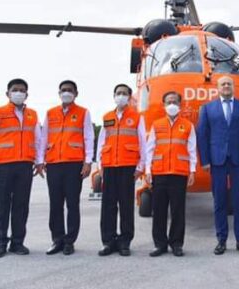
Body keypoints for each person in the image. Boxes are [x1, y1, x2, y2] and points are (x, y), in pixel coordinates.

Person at [0, 78, 44, 258]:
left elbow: (38, 140)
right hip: (3, 166)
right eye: (15, 90)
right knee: (3, 205)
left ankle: (17, 243)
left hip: (25, 165)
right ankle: (1, 243)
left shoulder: (32, 114)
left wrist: (39, 161)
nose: (18, 93)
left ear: (27, 94)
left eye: (22, 90)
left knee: (21, 206)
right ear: (7, 93)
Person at [197, 76, 239, 255]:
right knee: (220, 202)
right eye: (223, 84)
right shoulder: (207, 108)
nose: (226, 86)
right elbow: (202, 135)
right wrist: (205, 160)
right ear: (217, 88)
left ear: (233, 87)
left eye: (229, 84)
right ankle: (221, 240)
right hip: (217, 160)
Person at [41, 80, 94, 256]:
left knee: (72, 203)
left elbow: (88, 137)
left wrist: (88, 162)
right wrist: (40, 160)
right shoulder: (50, 113)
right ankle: (57, 240)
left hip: (74, 164)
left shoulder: (83, 113)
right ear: (59, 93)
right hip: (53, 163)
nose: (66, 93)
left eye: (70, 90)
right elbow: (43, 137)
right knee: (55, 204)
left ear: (76, 93)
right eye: (63, 90)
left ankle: (69, 241)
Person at [144, 91, 197, 257]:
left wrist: (192, 171)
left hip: (179, 173)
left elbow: (192, 150)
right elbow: (149, 149)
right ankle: (159, 244)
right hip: (159, 173)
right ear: (164, 105)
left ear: (180, 105)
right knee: (159, 211)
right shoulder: (156, 125)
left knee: (177, 211)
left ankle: (176, 244)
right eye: (169, 102)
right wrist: (147, 171)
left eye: (175, 102)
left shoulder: (188, 125)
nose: (172, 104)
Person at [97, 83, 146, 257]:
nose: (121, 96)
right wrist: (100, 165)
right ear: (114, 96)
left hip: (128, 166)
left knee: (126, 206)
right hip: (109, 166)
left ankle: (125, 242)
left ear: (130, 97)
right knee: (108, 206)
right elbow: (101, 142)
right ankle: (108, 241)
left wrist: (141, 166)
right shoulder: (107, 117)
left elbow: (143, 142)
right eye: (118, 93)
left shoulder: (137, 117)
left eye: (124, 93)